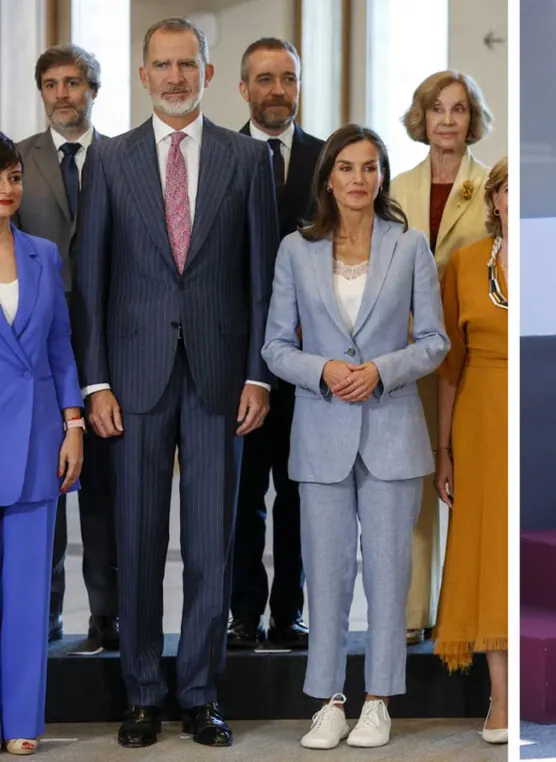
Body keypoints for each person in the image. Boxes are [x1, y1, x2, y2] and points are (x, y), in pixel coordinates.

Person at [72, 17, 278, 748]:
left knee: (211, 548)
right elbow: (90, 281)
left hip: (222, 377)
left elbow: (261, 283)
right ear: (142, 74)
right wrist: (94, 382)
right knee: (137, 539)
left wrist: (258, 371)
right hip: (131, 380)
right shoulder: (112, 159)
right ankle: (141, 694)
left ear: (208, 73)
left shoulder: (248, 161)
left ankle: (199, 691)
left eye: (187, 64)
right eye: (161, 65)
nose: (175, 77)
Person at [262, 125, 449, 750]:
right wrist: (324, 370)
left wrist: (380, 370)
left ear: (382, 176)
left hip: (393, 430)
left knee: (390, 575)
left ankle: (378, 700)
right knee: (327, 572)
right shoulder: (297, 250)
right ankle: (329, 700)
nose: (359, 180)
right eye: (347, 168)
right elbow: (275, 346)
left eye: (370, 168)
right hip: (320, 432)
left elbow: (434, 343)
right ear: (328, 178)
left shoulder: (410, 246)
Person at [14, 44, 119, 653]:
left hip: (108, 339)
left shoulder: (123, 157)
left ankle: (105, 618)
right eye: (51, 83)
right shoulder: (16, 162)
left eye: (73, 82)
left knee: (103, 487)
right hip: (37, 347)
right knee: (42, 481)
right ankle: (45, 616)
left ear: (93, 90)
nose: (62, 94)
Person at [229, 36, 324, 651]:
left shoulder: (326, 158)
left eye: (287, 78)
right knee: (241, 496)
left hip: (311, 359)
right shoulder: (220, 155)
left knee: (298, 495)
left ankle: (288, 613)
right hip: (237, 359)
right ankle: (243, 614)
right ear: (243, 88)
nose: (276, 90)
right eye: (264, 79)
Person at [391, 70, 492, 645]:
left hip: (473, 352)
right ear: (422, 118)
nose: (448, 119)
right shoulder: (398, 186)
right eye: (437, 109)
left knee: (467, 484)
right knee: (416, 482)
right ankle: (412, 615)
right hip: (409, 349)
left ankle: (465, 612)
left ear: (472, 120)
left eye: (458, 109)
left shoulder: (494, 184)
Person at [0, 132, 85, 756]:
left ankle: (22, 722)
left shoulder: (43, 254)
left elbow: (60, 346)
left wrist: (74, 423)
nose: (9, 189)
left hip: (35, 440)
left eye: (13, 177)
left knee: (29, 593)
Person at [432, 157, 509, 744]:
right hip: (480, 415)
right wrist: (445, 449)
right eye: (510, 188)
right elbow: (449, 369)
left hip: (533, 409)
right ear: (495, 197)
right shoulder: (462, 265)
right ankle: (500, 697)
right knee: (483, 548)